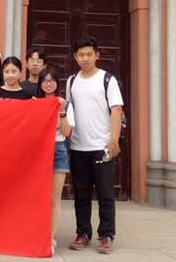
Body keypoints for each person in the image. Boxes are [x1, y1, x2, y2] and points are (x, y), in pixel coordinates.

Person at [67, 37, 123, 255]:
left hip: (102, 146)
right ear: (75, 57)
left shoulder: (107, 79)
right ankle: (83, 233)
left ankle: (106, 235)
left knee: (105, 193)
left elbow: (116, 110)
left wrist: (114, 140)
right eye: (81, 55)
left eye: (89, 54)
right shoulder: (72, 81)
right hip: (78, 146)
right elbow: (69, 111)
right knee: (81, 194)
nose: (85, 58)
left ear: (97, 55)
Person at [36, 67, 74, 253]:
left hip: (58, 149)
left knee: (54, 198)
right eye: (45, 80)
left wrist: (62, 111)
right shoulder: (35, 103)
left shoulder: (64, 104)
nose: (48, 83)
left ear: (57, 83)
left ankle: (50, 238)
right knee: (37, 197)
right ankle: (37, 234)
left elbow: (66, 133)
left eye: (52, 80)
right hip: (38, 151)